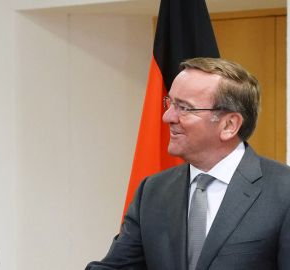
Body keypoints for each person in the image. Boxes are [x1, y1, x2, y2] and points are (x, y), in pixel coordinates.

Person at [86, 57, 290, 270]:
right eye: (170, 103)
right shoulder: (153, 190)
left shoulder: (283, 192)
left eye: (184, 108)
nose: (168, 117)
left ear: (229, 125)